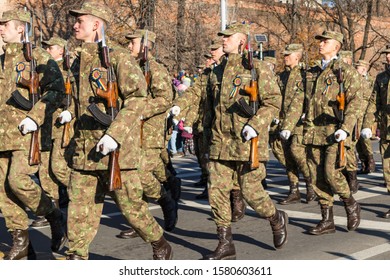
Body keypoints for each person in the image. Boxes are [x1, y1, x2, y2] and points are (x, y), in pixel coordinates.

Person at [61, 2, 172, 260]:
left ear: (96, 25)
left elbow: (137, 99)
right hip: (85, 150)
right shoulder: (78, 61)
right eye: (75, 21)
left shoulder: (118, 57)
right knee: (79, 209)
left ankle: (159, 241)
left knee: (131, 208)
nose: (75, 25)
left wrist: (114, 134)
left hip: (117, 150)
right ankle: (76, 255)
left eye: (81, 21)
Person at [201, 22, 287, 259]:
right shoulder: (216, 71)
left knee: (251, 191)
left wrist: (255, 125)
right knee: (216, 191)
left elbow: (273, 102)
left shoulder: (257, 68)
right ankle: (225, 242)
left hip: (247, 141)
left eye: (228, 37)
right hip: (221, 141)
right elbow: (211, 108)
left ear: (241, 41)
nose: (223, 40)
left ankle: (275, 218)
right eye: (222, 37)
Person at [0, 9, 67, 259]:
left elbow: (56, 91)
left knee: (18, 181)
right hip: (1, 134)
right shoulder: (1, 58)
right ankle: (21, 242)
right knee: (2, 190)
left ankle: (53, 213)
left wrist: (34, 117)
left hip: (25, 133)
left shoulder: (37, 57)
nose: (0, 27)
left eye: (5, 24)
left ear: (20, 28)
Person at [115, 29, 180, 239]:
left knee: (142, 175)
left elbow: (164, 99)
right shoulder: (131, 67)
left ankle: (165, 200)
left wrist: (140, 111)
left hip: (150, 132)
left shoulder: (156, 69)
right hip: (131, 132)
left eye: (132, 43)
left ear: (144, 45)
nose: (129, 46)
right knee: (132, 179)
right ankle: (139, 222)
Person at [303, 30, 362, 235]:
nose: (320, 45)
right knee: (316, 176)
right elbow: (301, 100)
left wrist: (346, 128)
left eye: (325, 42)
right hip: (313, 131)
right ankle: (327, 219)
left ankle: (350, 203)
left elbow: (356, 102)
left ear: (336, 46)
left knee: (331, 173)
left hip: (334, 131)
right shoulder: (312, 71)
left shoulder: (345, 71)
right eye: (320, 41)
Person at [30, 36, 73, 228]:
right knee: (44, 169)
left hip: (62, 125)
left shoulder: (70, 71)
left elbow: (78, 98)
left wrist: (69, 112)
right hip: (45, 123)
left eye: (51, 47)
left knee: (58, 168)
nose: (47, 50)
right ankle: (52, 208)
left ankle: (81, 197)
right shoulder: (42, 68)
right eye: (45, 47)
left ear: (61, 51)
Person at [277, 43, 316, 204]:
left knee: (297, 152)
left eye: (288, 55)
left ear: (297, 57)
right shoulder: (281, 76)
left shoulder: (306, 75)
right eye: (284, 55)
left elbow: (310, 97)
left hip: (300, 122)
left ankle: (311, 186)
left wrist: (308, 112)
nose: (285, 57)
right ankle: (294, 189)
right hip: (283, 121)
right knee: (287, 157)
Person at [361, 46, 390, 218]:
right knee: (388, 170)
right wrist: (367, 124)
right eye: (387, 54)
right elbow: (373, 103)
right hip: (386, 131)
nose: (387, 57)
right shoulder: (381, 78)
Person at [338, 50, 361, 194]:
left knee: (350, 149)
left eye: (345, 60)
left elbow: (361, 100)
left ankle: (352, 178)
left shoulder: (354, 76)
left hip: (352, 118)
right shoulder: (337, 75)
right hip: (338, 116)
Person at [354, 60, 376, 175]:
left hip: (366, 113)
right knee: (357, 139)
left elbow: (373, 99)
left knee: (365, 139)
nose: (356, 69)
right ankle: (363, 163)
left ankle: (370, 161)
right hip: (356, 113)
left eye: (358, 67)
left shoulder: (371, 81)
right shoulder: (355, 80)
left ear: (363, 69)